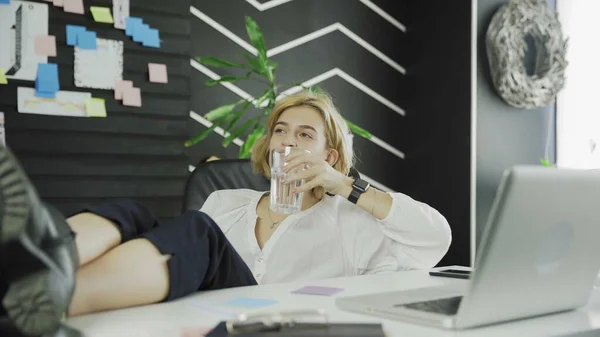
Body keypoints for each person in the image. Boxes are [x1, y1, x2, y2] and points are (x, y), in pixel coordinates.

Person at [0, 90, 452, 337]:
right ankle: (34, 269)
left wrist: (345, 186)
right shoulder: (226, 202)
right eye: (280, 131)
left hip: (267, 327)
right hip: (201, 306)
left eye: (304, 135)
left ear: (330, 157)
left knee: (198, 231)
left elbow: (436, 237)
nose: (287, 143)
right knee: (133, 211)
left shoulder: (352, 223)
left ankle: (48, 284)